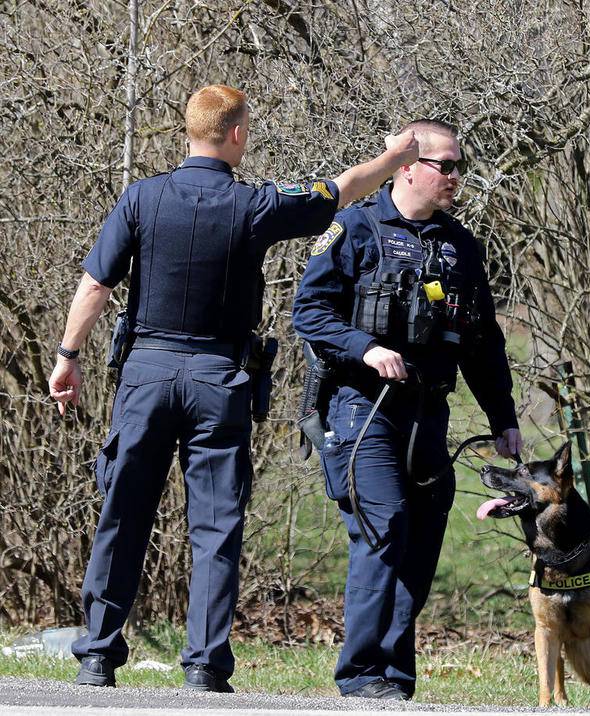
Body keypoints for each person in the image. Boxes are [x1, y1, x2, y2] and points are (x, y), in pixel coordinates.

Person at [47, 84, 419, 692]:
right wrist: (394, 155)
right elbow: (343, 187)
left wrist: (68, 357)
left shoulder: (140, 198)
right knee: (216, 526)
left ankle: (97, 655)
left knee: (122, 513)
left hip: (145, 373)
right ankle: (204, 665)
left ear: (188, 131)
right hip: (219, 381)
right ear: (237, 134)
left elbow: (94, 285)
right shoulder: (255, 206)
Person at [292, 119, 523, 700]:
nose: (455, 178)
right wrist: (366, 348)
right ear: (407, 166)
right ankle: (361, 673)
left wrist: (504, 418)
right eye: (445, 165)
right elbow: (310, 314)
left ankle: (393, 675)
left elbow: (481, 341)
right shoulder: (353, 229)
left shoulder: (460, 247)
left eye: (459, 167)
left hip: (427, 413)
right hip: (359, 408)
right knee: (383, 525)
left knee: (421, 534)